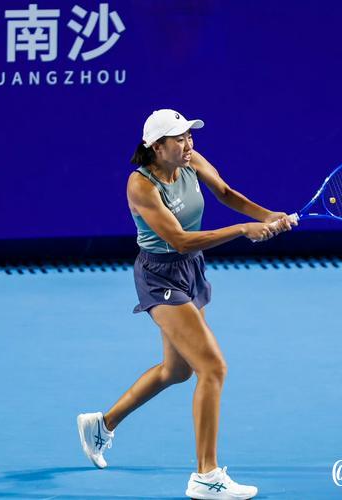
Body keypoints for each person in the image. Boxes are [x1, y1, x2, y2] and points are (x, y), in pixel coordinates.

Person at [77, 109, 297, 499]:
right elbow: (178, 240)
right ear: (156, 147)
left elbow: (225, 193)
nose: (188, 144)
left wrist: (268, 216)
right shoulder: (140, 186)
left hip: (190, 269)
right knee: (212, 367)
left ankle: (102, 424)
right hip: (159, 276)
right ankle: (206, 475)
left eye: (188, 136)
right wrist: (243, 230)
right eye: (178, 139)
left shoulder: (190, 160)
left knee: (177, 370)